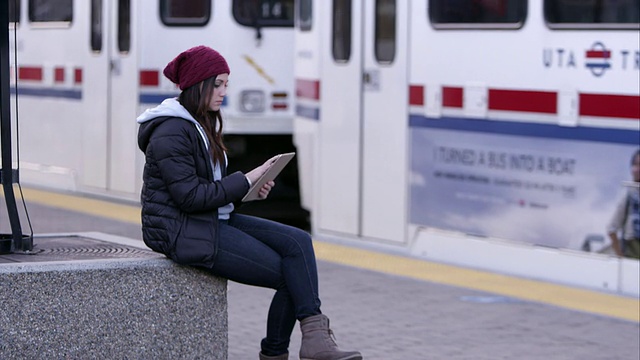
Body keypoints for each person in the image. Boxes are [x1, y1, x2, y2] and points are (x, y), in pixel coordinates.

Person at [136, 45, 363, 360]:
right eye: (218, 84)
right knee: (290, 274)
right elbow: (188, 197)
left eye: (226, 84)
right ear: (197, 84)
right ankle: (277, 352)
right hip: (181, 230)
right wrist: (244, 178)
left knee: (298, 242)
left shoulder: (200, 124)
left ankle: (315, 336)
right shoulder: (171, 131)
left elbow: (209, 190)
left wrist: (248, 191)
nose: (223, 92)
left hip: (208, 219)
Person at [607, 149, 640, 259]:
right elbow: (612, 229)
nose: (636, 169)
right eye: (635, 164)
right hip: (632, 256)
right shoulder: (629, 196)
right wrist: (622, 259)